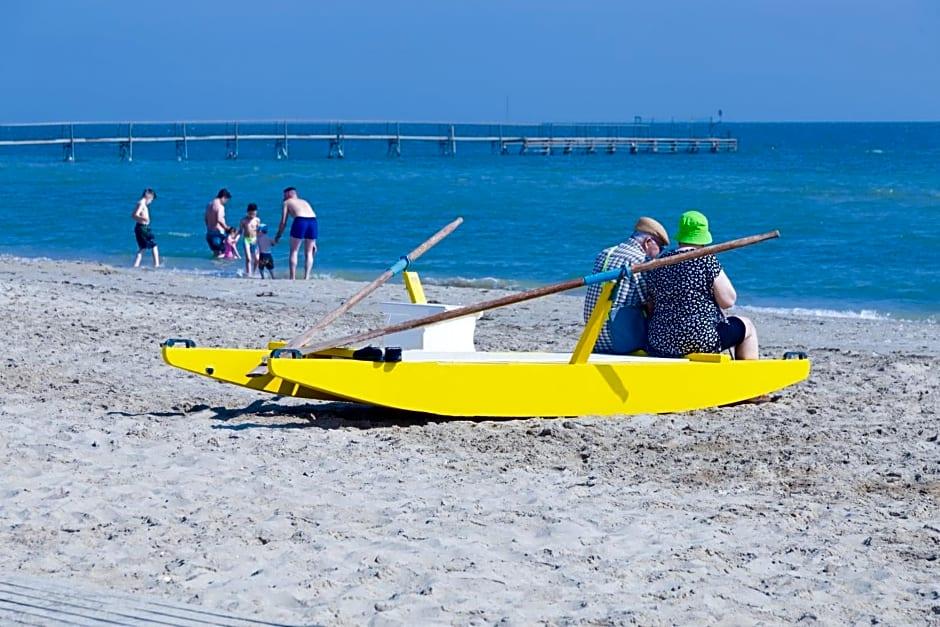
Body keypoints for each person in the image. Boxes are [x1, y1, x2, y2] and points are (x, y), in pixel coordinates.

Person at [645, 210, 759, 361]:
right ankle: (746, 373)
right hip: (699, 338)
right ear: (703, 238)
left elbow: (651, 305)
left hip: (660, 342)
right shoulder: (706, 259)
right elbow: (728, 301)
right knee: (747, 326)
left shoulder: (659, 262)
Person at [583, 217, 669, 353]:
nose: (660, 253)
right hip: (620, 341)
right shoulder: (640, 262)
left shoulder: (605, 253)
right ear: (648, 242)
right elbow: (651, 304)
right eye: (661, 247)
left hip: (594, 339)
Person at [274, 187, 317, 280]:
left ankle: (292, 277)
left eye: (284, 195)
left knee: (294, 251)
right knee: (309, 252)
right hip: (313, 221)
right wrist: (314, 242)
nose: (283, 197)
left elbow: (283, 222)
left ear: (289, 194)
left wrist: (278, 235)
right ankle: (306, 277)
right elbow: (310, 214)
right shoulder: (304, 201)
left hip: (300, 220)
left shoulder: (287, 202)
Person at [131, 188, 160, 268]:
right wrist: (144, 219)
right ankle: (156, 265)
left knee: (142, 248)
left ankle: (136, 265)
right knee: (154, 245)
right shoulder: (141, 203)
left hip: (141, 227)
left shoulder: (142, 203)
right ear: (149, 197)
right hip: (142, 228)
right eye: (151, 200)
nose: (150, 202)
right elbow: (134, 215)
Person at [205, 188, 231, 257]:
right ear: (224, 197)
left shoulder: (209, 204)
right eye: (227, 200)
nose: (226, 202)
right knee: (224, 254)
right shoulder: (220, 206)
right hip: (218, 234)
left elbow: (206, 219)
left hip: (209, 234)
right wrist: (226, 228)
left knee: (216, 254)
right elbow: (219, 219)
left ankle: (214, 265)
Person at [239, 203, 261, 276]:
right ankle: (249, 273)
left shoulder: (257, 220)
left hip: (254, 240)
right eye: (251, 214)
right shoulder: (243, 220)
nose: (252, 215)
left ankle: (253, 273)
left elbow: (259, 231)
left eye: (254, 213)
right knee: (248, 258)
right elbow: (240, 231)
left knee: (257, 259)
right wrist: (235, 238)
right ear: (248, 212)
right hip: (247, 240)